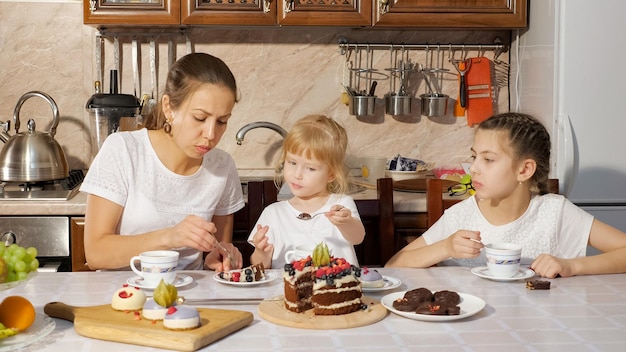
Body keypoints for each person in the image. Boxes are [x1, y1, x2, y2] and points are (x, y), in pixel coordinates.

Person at [385, 112, 626, 278]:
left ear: (524, 170)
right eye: (474, 156)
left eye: (488, 159)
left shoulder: (555, 212)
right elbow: (393, 265)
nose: (474, 168)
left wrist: (571, 266)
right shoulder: (460, 217)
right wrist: (445, 247)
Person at [81, 53, 245, 272]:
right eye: (199, 118)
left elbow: (220, 251)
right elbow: (96, 253)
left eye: (222, 121)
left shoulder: (222, 167)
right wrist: (169, 237)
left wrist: (220, 257)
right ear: (168, 107)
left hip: (189, 296)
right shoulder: (123, 150)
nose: (210, 133)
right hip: (123, 296)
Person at [248, 115, 365, 269]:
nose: (297, 174)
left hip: (336, 289)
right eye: (292, 162)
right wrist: (262, 252)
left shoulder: (340, 204)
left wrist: (347, 222)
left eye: (310, 168)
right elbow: (259, 267)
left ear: (331, 174)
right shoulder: (274, 213)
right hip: (285, 292)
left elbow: (357, 237)